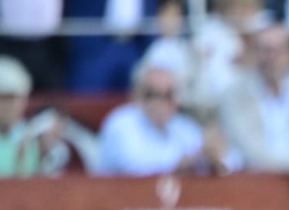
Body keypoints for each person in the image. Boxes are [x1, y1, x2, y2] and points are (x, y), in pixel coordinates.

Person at [94, 60, 241, 176]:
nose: (161, 103)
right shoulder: (120, 122)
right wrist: (185, 163)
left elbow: (233, 162)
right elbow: (135, 168)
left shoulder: (183, 127)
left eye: (168, 95)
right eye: (153, 94)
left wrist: (215, 157)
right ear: (138, 95)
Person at [218, 22, 289, 172]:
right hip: (254, 183)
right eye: (264, 51)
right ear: (254, 54)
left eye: (278, 50)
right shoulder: (234, 94)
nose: (271, 58)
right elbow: (251, 153)